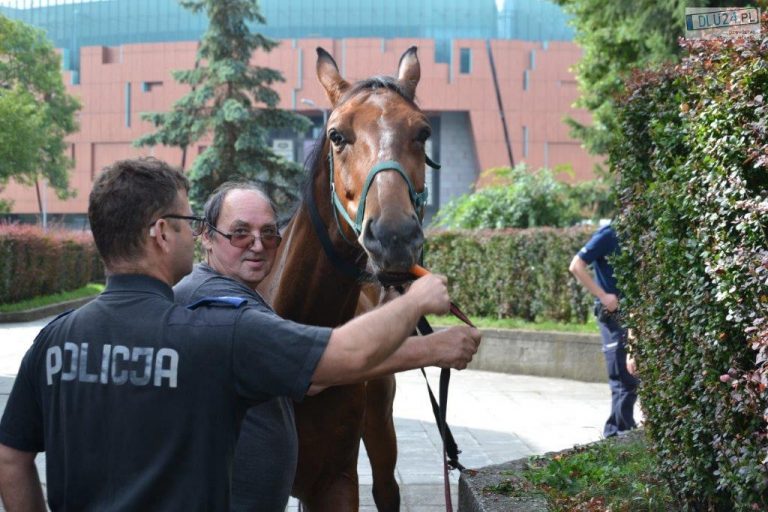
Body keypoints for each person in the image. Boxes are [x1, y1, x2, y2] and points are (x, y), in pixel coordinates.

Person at [0, 158, 480, 511]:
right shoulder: (214, 326)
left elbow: (10, 458)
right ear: (162, 233)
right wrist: (417, 305)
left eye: (270, 233)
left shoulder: (53, 341)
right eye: (191, 223)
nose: (258, 245)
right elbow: (339, 357)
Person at [174, 182, 481, 511]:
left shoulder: (233, 296)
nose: (258, 245)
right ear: (207, 237)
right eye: (240, 233)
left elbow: (312, 375)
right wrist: (425, 329)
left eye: (269, 233)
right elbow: (323, 367)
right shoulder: (219, 309)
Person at [569, 223, 638, 438]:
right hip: (612, 313)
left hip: (632, 311)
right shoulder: (609, 234)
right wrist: (603, 296)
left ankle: (623, 431)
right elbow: (576, 265)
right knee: (623, 377)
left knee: (631, 376)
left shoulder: (638, 232)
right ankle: (617, 433)